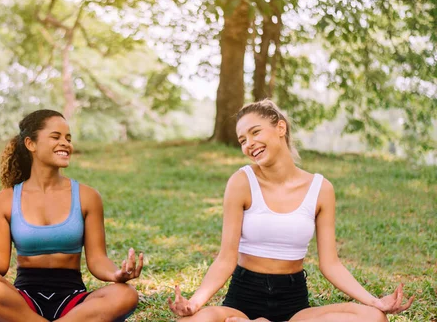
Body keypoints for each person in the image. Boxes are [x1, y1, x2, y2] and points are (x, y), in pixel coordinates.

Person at [168, 99, 414, 322]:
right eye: (243, 140)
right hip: (243, 301)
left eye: (255, 132)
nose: (249, 144)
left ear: (280, 128)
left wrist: (374, 301)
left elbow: (331, 264)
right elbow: (225, 259)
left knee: (373, 318)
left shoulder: (321, 189)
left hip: (293, 307)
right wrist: (195, 303)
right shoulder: (241, 182)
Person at [0, 109, 143, 322]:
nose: (65, 143)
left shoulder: (88, 197)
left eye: (68, 138)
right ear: (31, 144)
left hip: (73, 303)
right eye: (55, 137)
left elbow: (98, 260)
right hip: (24, 303)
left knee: (125, 294)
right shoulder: (4, 200)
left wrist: (116, 275)